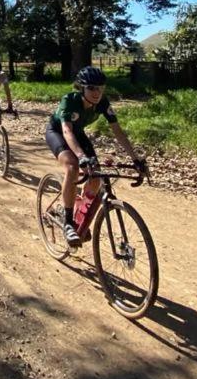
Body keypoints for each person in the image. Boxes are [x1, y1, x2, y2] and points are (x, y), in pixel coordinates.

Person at [45, 65, 144, 246]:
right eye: (91, 88)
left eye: (100, 88)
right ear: (81, 88)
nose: (97, 92)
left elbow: (118, 132)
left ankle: (79, 212)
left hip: (78, 133)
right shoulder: (70, 100)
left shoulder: (103, 103)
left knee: (95, 178)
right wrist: (81, 156)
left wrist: (136, 159)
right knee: (73, 166)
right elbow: (67, 130)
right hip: (58, 132)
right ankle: (68, 222)